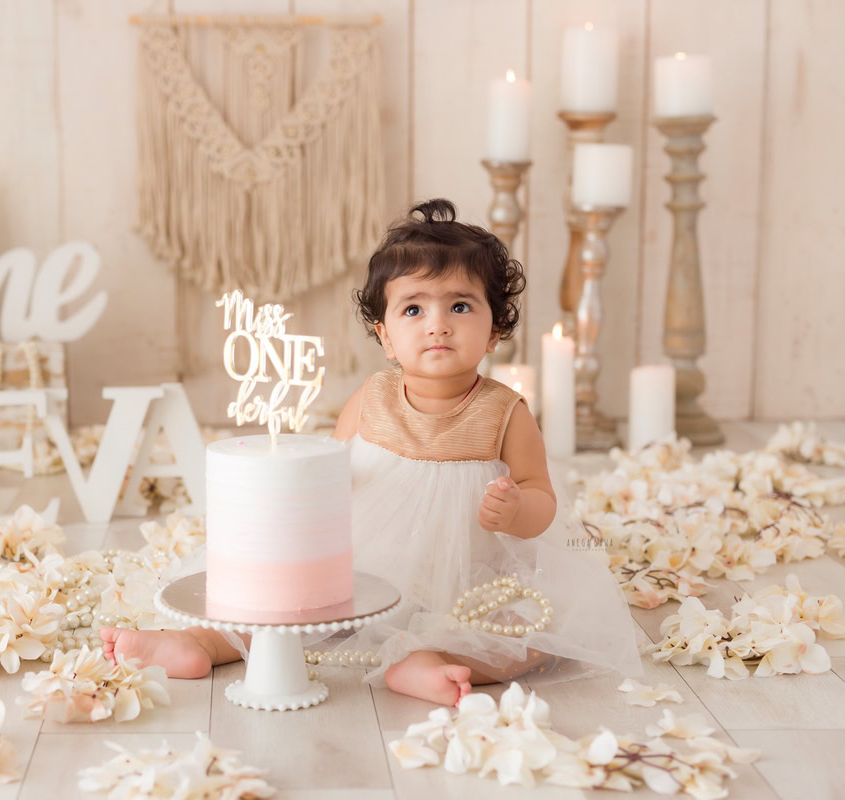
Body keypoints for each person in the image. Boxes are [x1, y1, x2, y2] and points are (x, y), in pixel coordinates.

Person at [100, 199, 640, 706]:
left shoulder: (505, 412)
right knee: (285, 599)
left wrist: (518, 510)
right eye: (413, 309)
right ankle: (200, 643)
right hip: (365, 563)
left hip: (466, 573)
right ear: (384, 336)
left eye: (459, 305)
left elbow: (539, 493)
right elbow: (328, 476)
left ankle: (427, 661)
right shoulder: (373, 397)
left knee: (534, 635)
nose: (437, 324)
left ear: (495, 329)